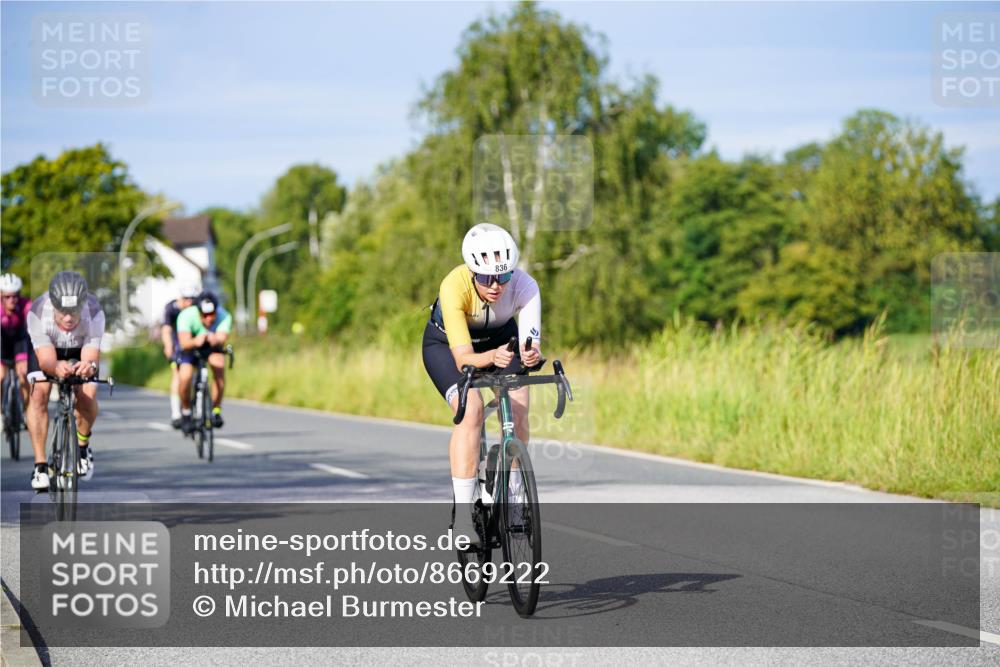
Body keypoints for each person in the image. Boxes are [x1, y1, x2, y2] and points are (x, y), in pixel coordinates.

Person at [422, 223, 542, 546]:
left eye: (503, 277)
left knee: (519, 410)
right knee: (471, 410)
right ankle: (463, 517)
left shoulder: (525, 285)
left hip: (501, 341)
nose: (496, 286)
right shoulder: (453, 286)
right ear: (473, 271)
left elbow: (531, 341)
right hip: (447, 346)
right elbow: (463, 359)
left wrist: (530, 355)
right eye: (487, 278)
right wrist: (491, 356)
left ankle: (515, 497)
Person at [26, 271, 105, 490]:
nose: (69, 318)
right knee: (39, 394)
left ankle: (82, 446)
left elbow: (90, 355)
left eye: (74, 311)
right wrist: (55, 367)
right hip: (48, 349)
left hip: (79, 348)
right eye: (63, 312)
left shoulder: (95, 312)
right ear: (53, 304)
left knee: (87, 397)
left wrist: (87, 367)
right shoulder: (38, 311)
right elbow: (46, 359)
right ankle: (41, 466)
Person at [176, 292, 232, 433]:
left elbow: (222, 337)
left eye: (212, 314)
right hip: (191, 347)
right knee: (185, 376)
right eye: (205, 315)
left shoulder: (224, 316)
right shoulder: (186, 316)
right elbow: (184, 342)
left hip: (211, 347)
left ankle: (216, 410)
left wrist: (216, 339)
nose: (209, 318)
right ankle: (187, 412)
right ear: (199, 312)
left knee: (219, 367)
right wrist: (195, 340)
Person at [161, 284, 201, 428]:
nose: (189, 302)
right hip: (177, 342)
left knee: (198, 372)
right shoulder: (171, 308)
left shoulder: (197, 306)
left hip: (195, 339)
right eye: (186, 299)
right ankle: (176, 413)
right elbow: (166, 330)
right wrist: (168, 346)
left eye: (192, 299)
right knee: (178, 375)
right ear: (180, 298)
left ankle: (199, 405)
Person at [0, 273, 32, 419]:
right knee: (0, 376)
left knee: (24, 375)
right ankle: (1, 411)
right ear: (1, 296)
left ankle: (26, 409)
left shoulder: (26, 305)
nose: (12, 300)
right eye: (7, 297)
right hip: (2, 342)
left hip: (19, 342)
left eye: (15, 296)